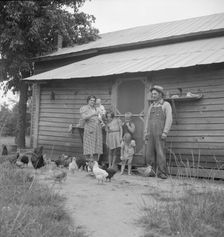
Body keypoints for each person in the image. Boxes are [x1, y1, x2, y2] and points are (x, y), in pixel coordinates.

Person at [144, 85, 172, 179]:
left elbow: (169, 119)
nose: (153, 95)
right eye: (152, 94)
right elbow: (147, 120)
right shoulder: (151, 105)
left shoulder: (166, 104)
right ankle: (151, 171)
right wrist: (146, 132)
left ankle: (162, 172)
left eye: (155, 94)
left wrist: (165, 132)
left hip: (160, 133)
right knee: (149, 153)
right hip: (150, 133)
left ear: (160, 94)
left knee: (160, 153)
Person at [80, 96, 103, 161]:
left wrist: (101, 118)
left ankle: (95, 164)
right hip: (89, 129)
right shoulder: (84, 108)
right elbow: (84, 117)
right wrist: (93, 114)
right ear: (88, 101)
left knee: (96, 148)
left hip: (97, 129)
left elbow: (100, 117)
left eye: (93, 101)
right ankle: (88, 165)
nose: (92, 102)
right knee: (88, 147)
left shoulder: (96, 108)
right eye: (91, 100)